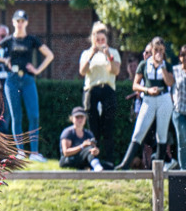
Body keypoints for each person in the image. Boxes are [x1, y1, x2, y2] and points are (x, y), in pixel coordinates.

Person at [0, 10, 54, 162]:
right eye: (17, 20)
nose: (20, 23)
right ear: (13, 22)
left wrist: (37, 70)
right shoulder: (9, 40)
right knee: (16, 116)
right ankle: (21, 152)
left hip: (28, 80)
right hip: (12, 80)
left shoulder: (32, 39)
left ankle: (35, 153)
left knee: (34, 115)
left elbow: (50, 55)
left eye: (22, 20)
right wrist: (4, 61)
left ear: (26, 22)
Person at [116, 36, 175, 170]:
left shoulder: (167, 65)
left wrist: (162, 66)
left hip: (163, 100)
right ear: (152, 50)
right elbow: (135, 85)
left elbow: (170, 82)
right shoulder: (144, 64)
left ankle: (159, 167)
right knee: (138, 132)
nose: (158, 53)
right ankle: (125, 164)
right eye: (156, 50)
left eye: (161, 50)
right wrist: (147, 89)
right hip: (148, 100)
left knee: (161, 134)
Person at [78, 22, 121, 164]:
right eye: (98, 40)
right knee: (93, 127)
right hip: (92, 91)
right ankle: (93, 160)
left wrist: (108, 55)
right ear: (93, 40)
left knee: (108, 127)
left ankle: (109, 160)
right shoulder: (86, 53)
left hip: (107, 90)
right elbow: (82, 72)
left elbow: (115, 71)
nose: (100, 43)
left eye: (103, 40)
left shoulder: (113, 52)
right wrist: (92, 54)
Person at [59, 107, 109, 171]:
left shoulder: (88, 133)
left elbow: (93, 148)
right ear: (72, 119)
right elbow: (66, 152)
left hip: (83, 159)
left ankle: (95, 167)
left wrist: (96, 151)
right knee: (88, 150)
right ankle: (96, 167)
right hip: (68, 160)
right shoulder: (68, 132)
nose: (80, 119)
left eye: (82, 117)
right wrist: (82, 146)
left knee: (109, 166)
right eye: (77, 117)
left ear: (85, 118)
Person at [172, 45, 186, 171]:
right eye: (184, 55)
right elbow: (170, 88)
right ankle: (183, 170)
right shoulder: (175, 70)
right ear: (180, 57)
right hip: (179, 111)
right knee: (182, 140)